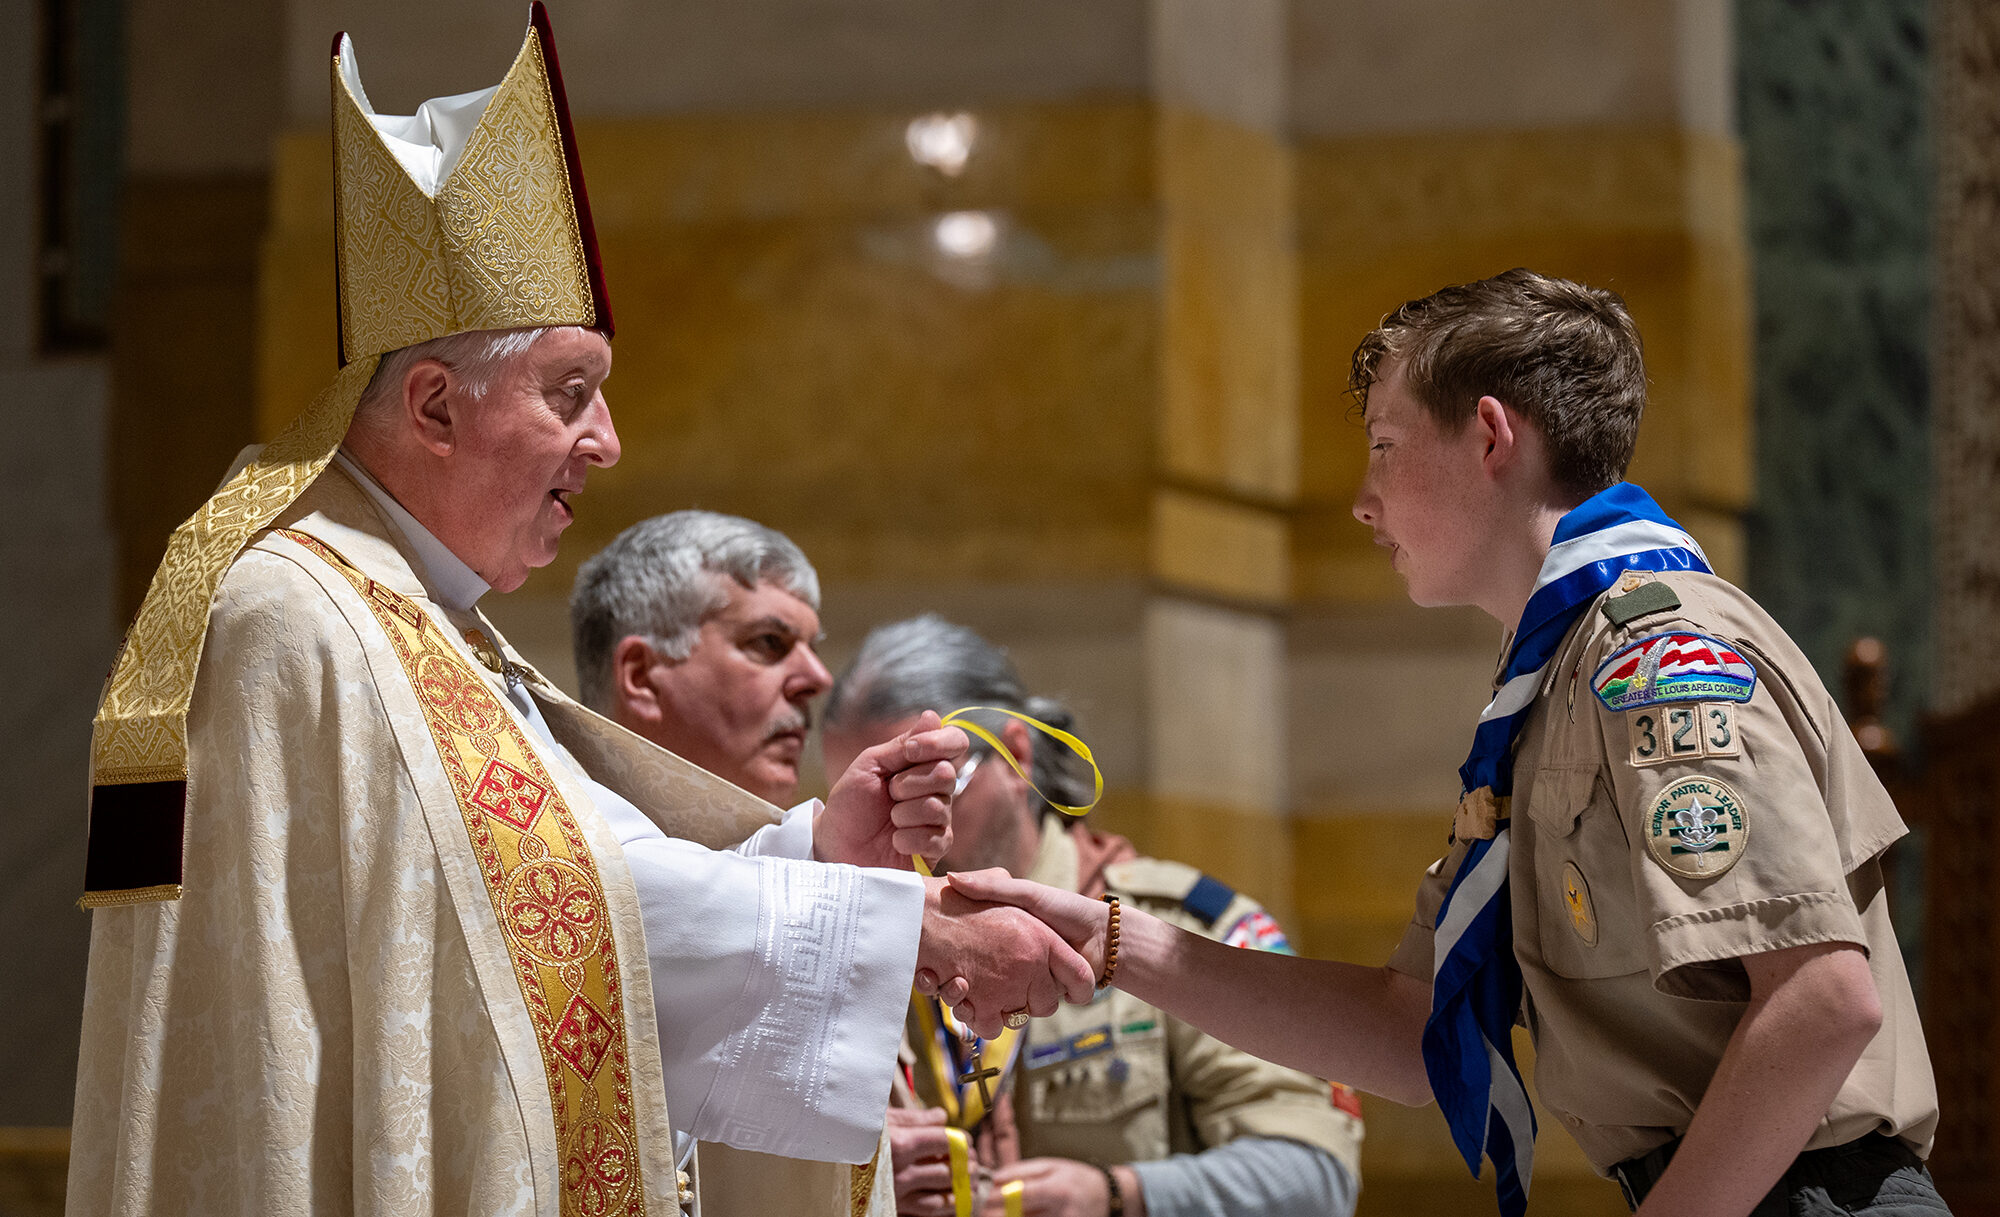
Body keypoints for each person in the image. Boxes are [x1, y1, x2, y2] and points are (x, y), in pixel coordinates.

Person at [67, 12, 1090, 1216]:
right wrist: (897, 921)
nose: (605, 442)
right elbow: (516, 921)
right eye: (569, 393)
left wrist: (817, 856)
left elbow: (586, 866)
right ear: (437, 405)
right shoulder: (298, 614)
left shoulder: (427, 619)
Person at [948, 269, 1947, 1217]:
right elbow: (1406, 1029)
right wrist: (1110, 937)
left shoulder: (1653, 654)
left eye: (1383, 444)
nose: (1359, 498)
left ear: (1487, 436)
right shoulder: (1545, 688)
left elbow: (1819, 1000)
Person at [820, 616, 1364, 1217]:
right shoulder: (845, 945)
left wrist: (1121, 1195)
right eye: (868, 801)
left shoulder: (1170, 930)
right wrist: (860, 1179)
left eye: (920, 791)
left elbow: (1318, 1175)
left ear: (1015, 756)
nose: (896, 831)